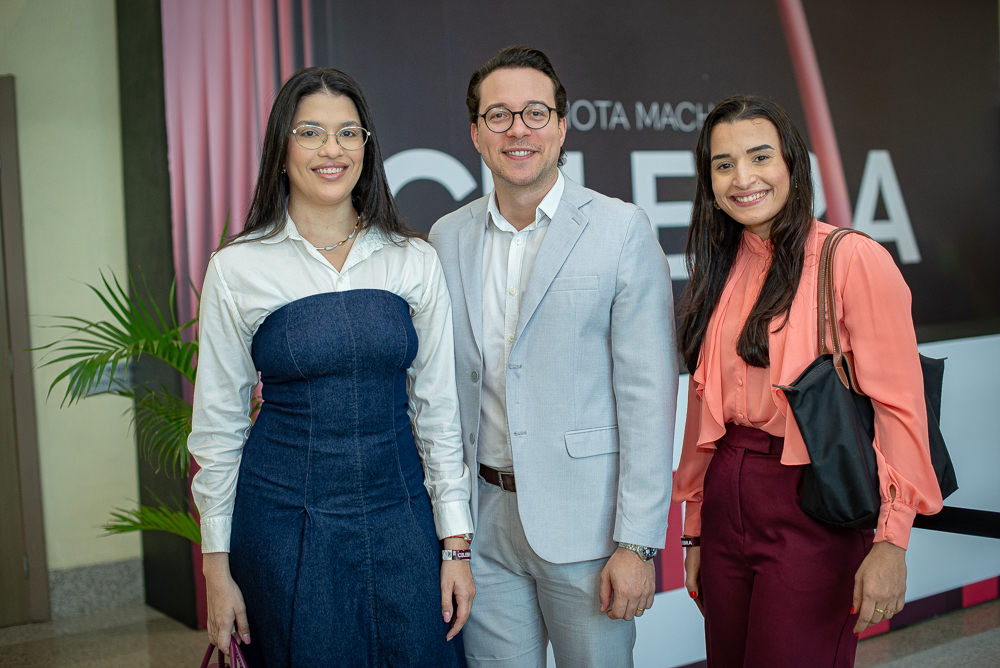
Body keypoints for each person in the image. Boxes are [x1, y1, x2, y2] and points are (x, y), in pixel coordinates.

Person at [188, 67, 475, 667]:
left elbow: (437, 412)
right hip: (284, 525)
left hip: (401, 517)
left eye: (348, 132)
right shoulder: (238, 268)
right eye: (311, 132)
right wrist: (217, 568)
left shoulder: (412, 259)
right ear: (281, 148)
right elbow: (218, 427)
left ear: (366, 149)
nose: (331, 149)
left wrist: (455, 546)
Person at [671, 95, 944, 667]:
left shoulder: (851, 259)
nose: (743, 179)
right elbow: (702, 417)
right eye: (724, 165)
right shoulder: (719, 268)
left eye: (760, 157)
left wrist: (892, 542)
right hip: (727, 502)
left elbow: (900, 408)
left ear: (792, 164)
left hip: (814, 503)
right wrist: (694, 530)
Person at [428, 46, 677, 668]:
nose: (518, 130)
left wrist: (638, 544)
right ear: (476, 134)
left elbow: (648, 397)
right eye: (499, 115)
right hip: (483, 524)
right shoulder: (446, 237)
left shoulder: (621, 228)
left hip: (589, 528)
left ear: (562, 127)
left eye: (535, 113)